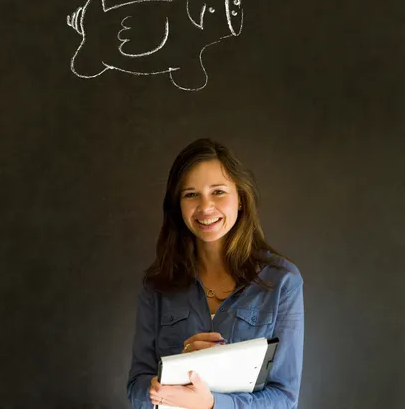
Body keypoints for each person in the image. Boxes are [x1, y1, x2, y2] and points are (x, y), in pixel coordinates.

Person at [127, 138, 304, 409]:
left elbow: (285, 398)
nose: (206, 207)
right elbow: (137, 389)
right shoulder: (157, 285)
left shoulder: (282, 281)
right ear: (178, 206)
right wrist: (170, 377)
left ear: (241, 198)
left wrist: (212, 404)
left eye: (218, 191)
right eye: (191, 194)